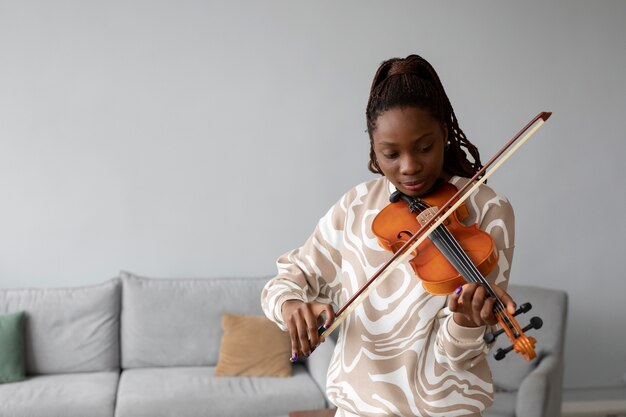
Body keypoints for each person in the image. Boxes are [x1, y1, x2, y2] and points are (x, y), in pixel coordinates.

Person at [261, 54, 517, 417]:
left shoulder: (487, 209)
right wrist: (291, 306)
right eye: (391, 153)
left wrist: (466, 323)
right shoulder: (356, 206)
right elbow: (283, 281)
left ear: (445, 133)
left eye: (424, 147)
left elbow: (457, 359)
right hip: (358, 409)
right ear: (373, 148)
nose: (409, 166)